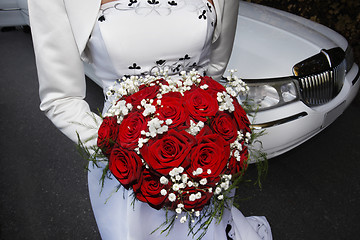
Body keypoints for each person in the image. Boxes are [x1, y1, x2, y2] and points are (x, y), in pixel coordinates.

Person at [29, 0, 272, 239]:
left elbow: (214, 71)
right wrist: (125, 152)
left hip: (203, 158)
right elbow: (60, 99)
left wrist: (211, 136)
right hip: (128, 172)